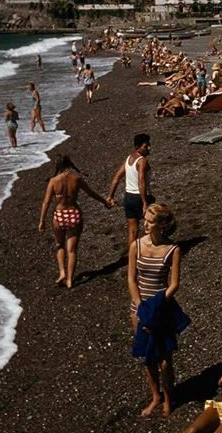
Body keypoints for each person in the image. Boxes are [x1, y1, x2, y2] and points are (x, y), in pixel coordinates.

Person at [129, 203, 185, 417]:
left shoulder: (173, 249)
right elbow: (131, 279)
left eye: (150, 221)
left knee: (165, 359)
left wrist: (156, 306)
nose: (145, 223)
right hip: (139, 307)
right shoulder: (136, 245)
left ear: (162, 224)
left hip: (162, 307)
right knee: (147, 356)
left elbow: (174, 284)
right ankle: (155, 396)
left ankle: (169, 398)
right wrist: (141, 306)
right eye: (145, 218)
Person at [38, 154, 111, 288]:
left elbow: (46, 202)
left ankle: (62, 273)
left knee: (59, 245)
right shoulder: (76, 178)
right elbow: (91, 193)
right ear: (69, 164)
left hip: (59, 215)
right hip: (74, 214)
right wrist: (104, 202)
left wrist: (41, 220)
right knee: (72, 250)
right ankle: (70, 280)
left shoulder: (53, 181)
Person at [107, 133, 152, 249]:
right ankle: (150, 252)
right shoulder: (142, 161)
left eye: (149, 145)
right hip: (140, 197)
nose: (149, 148)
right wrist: (145, 202)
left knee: (132, 231)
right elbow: (141, 181)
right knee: (152, 225)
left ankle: (132, 257)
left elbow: (117, 178)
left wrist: (110, 196)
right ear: (137, 147)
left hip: (128, 198)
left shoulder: (129, 159)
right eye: (145, 146)